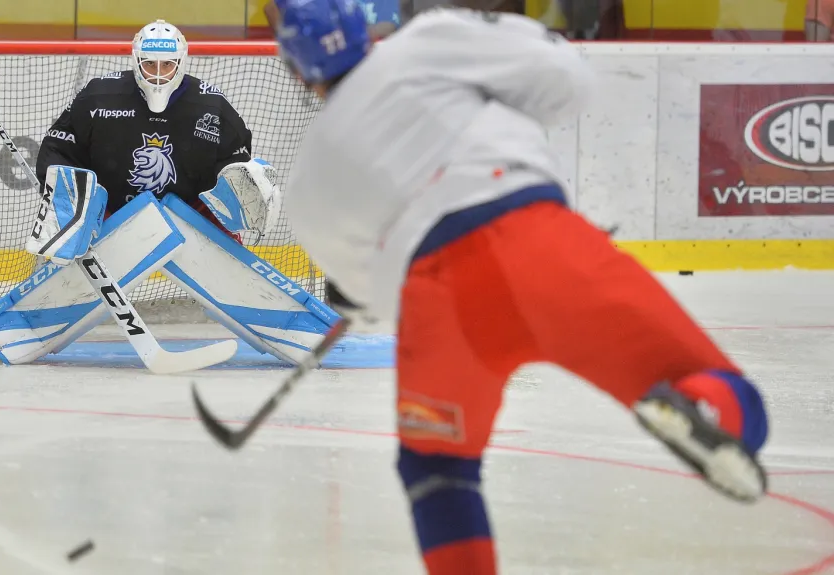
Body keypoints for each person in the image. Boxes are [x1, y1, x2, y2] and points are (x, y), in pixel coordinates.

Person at [269, 1, 771, 573]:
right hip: (539, 242)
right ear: (362, 24)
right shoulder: (431, 39)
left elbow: (374, 295)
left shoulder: (309, 180)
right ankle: (705, 405)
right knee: (737, 396)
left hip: (439, 303)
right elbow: (569, 81)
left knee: (436, 467)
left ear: (294, 67)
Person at [36, 19, 254, 239]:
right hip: (110, 215)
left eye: (167, 64)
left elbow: (235, 161)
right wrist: (67, 196)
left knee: (225, 224)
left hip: (189, 216)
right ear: (136, 60)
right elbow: (59, 148)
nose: (158, 74)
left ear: (181, 62)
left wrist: (241, 192)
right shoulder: (99, 96)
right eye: (150, 64)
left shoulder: (211, 104)